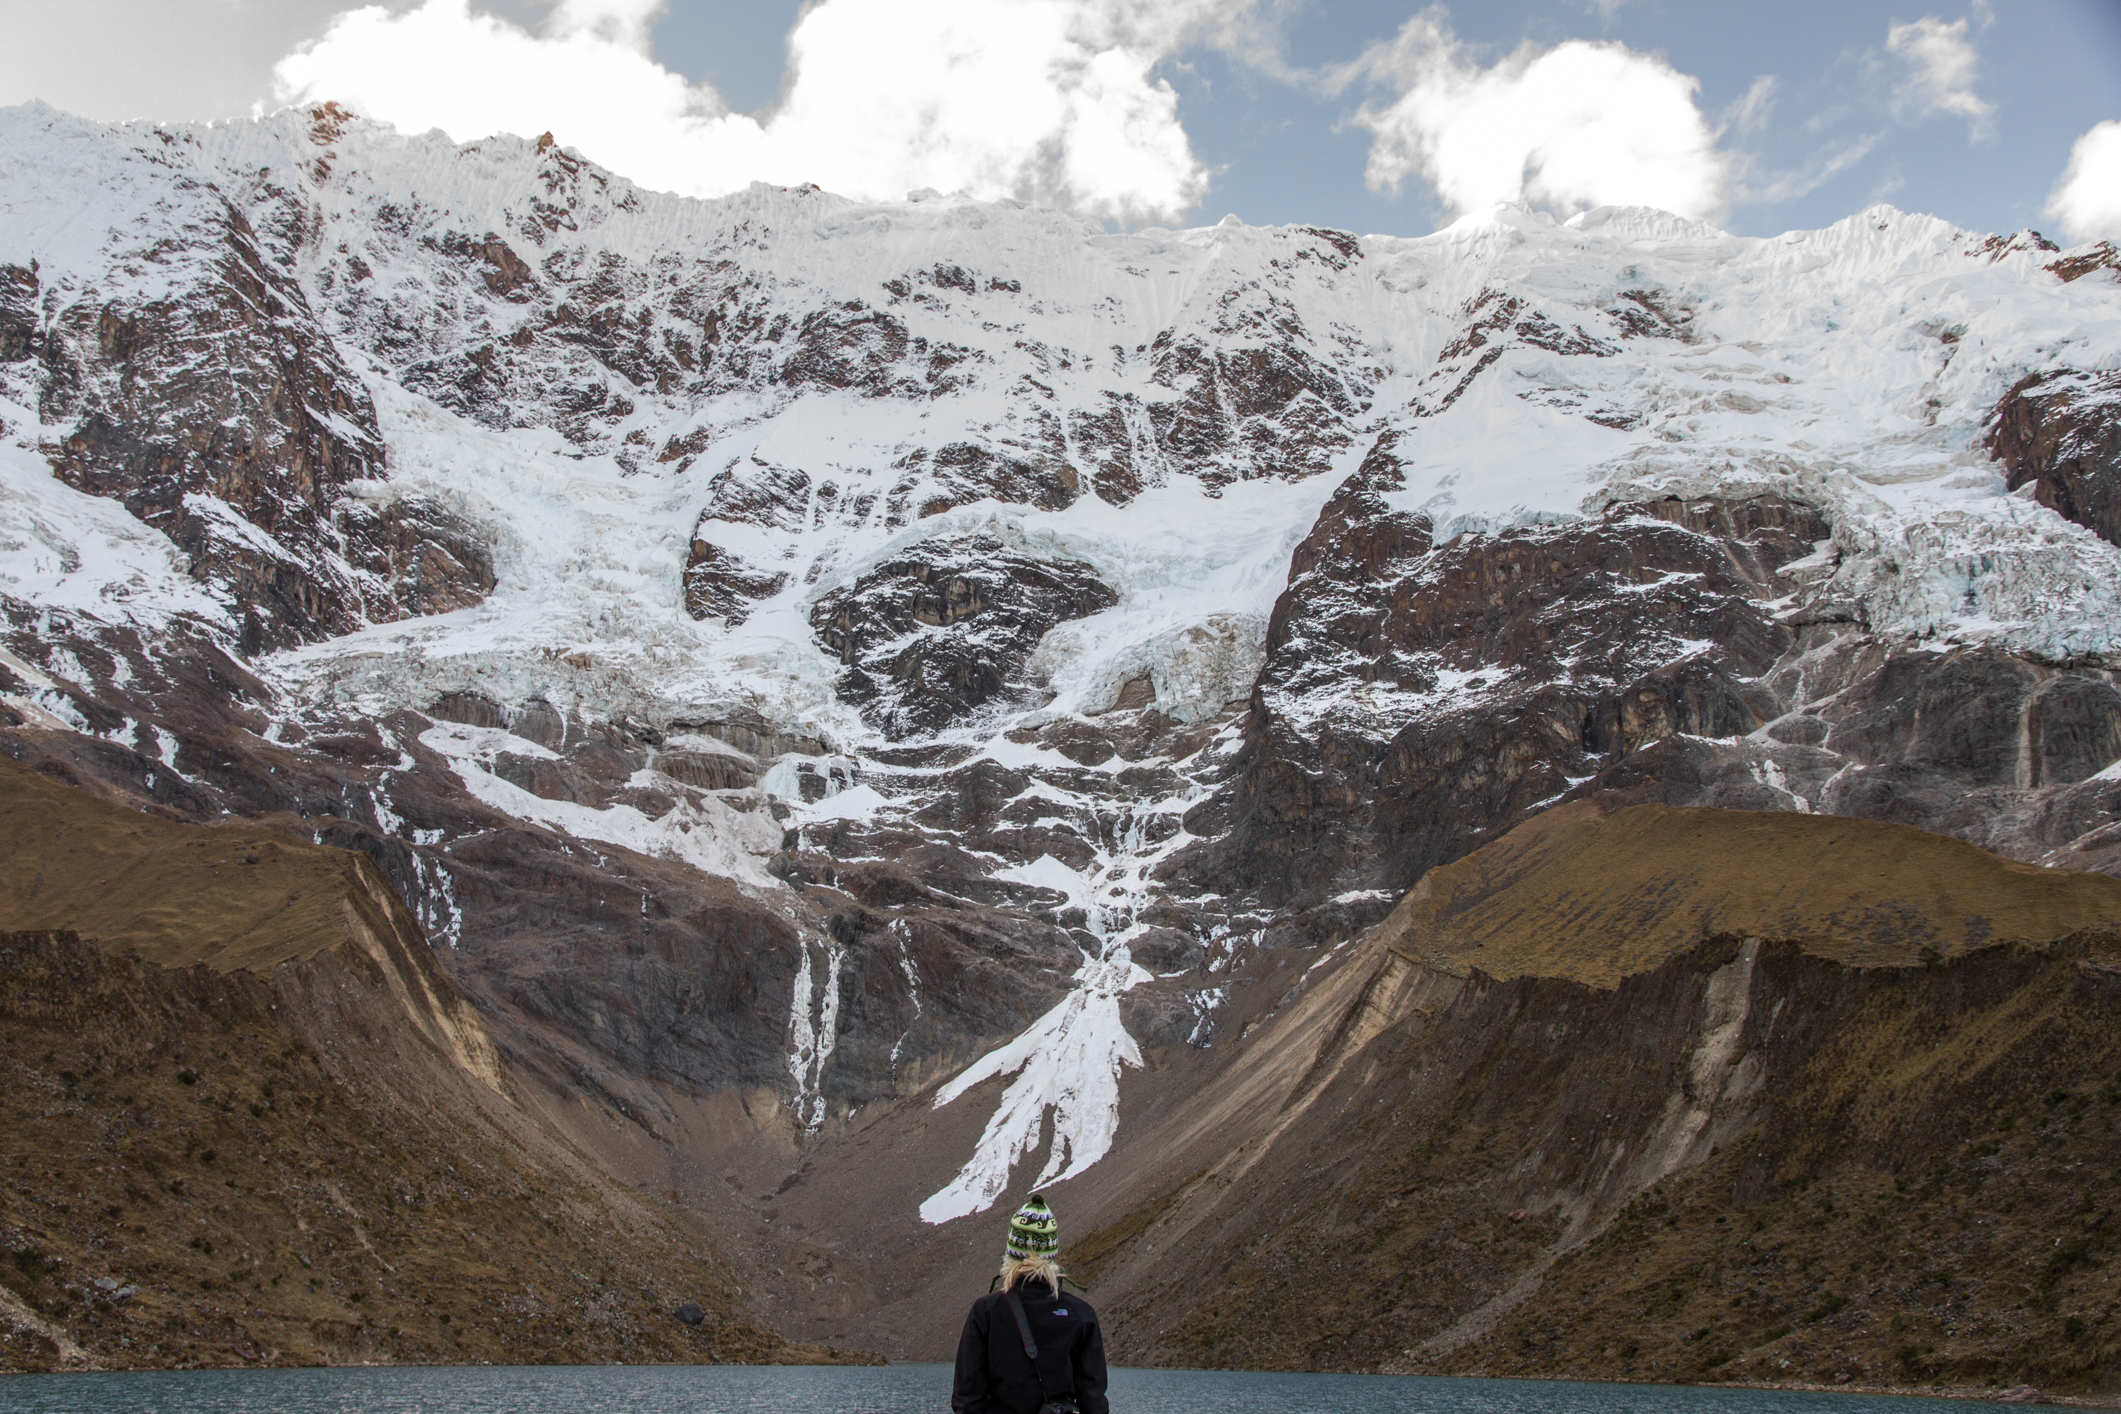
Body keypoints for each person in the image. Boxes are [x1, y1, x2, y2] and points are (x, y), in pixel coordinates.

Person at [950, 1194, 1109, 1414]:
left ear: (1011, 1253)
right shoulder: (1080, 1314)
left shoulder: (986, 1312)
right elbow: (1093, 1401)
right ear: (1051, 1253)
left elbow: (966, 1399)